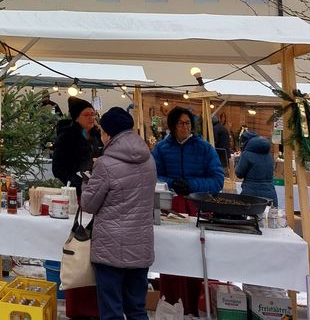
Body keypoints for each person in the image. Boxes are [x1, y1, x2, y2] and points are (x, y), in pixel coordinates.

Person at [81, 108, 157, 320]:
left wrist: (87, 181)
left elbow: (88, 204)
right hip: (140, 246)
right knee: (137, 309)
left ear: (108, 133)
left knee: (111, 311)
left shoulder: (105, 164)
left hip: (110, 248)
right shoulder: (149, 160)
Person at [151, 106, 224, 314]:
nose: (185, 127)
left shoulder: (205, 148)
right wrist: (171, 183)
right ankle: (171, 306)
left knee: (196, 257)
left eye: (188, 123)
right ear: (173, 126)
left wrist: (192, 185)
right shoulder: (162, 148)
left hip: (197, 208)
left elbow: (217, 180)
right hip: (170, 208)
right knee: (172, 256)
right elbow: (153, 174)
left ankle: (195, 308)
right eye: (181, 123)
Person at [52, 97, 103, 194]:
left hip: (96, 188)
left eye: (93, 114)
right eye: (86, 115)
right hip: (75, 190)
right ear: (76, 118)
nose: (91, 118)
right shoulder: (66, 137)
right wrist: (74, 182)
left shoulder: (98, 135)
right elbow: (57, 168)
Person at [234, 132, 277, 205]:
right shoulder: (268, 154)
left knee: (249, 212)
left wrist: (237, 159)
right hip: (270, 192)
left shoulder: (246, 154)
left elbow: (239, 173)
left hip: (251, 193)